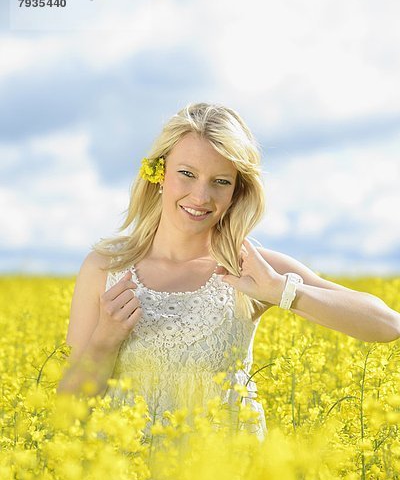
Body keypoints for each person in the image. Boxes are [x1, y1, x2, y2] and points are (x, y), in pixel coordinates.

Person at [57, 102, 400, 444]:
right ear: (159, 174)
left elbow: (387, 325)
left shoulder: (250, 267)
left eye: (220, 181)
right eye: (187, 174)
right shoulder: (106, 267)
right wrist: (104, 340)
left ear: (237, 192)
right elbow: (66, 413)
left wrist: (282, 291)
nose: (201, 196)